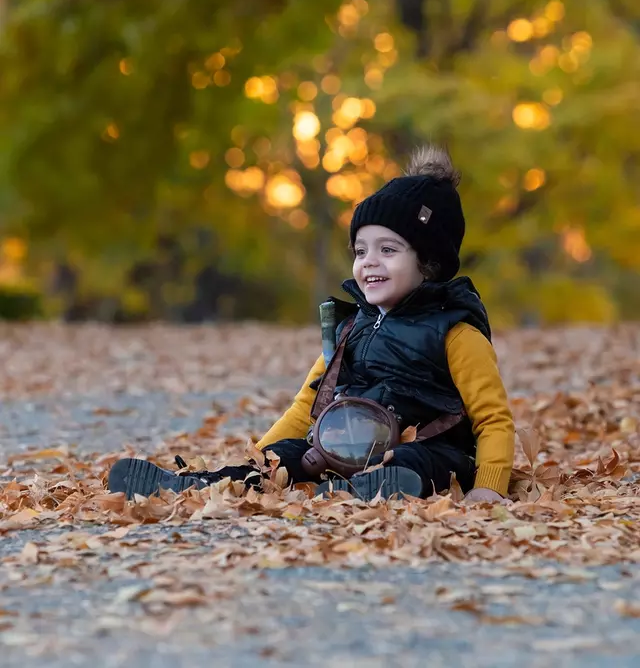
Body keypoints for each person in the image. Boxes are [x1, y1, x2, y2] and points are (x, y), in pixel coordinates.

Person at [109, 145, 514, 503]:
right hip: (341, 445)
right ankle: (203, 485)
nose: (368, 262)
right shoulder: (349, 328)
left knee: (414, 462)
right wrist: (263, 456)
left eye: (387, 250)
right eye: (360, 250)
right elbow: (307, 404)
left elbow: (492, 419)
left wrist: (489, 485)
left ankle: (363, 491)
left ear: (429, 263)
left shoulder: (456, 334)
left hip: (427, 453)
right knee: (285, 457)